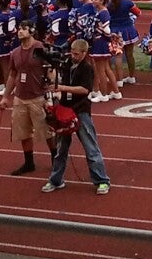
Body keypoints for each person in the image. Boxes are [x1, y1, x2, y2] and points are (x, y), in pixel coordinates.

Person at [41, 38, 112, 194]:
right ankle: (56, 180)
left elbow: (85, 90)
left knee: (90, 147)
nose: (73, 56)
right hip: (64, 109)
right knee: (60, 149)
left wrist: (62, 87)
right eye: (72, 53)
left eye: (76, 54)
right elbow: (55, 76)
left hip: (81, 111)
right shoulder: (66, 64)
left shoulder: (87, 68)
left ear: (84, 53)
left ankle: (102, 180)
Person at [0, 20, 57, 176]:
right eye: (19, 28)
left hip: (39, 96)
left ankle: (55, 159)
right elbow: (12, 75)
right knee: (22, 132)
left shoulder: (40, 49)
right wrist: (5, 97)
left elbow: (52, 69)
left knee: (47, 132)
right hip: (20, 97)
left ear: (31, 30)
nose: (20, 31)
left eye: (23, 29)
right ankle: (29, 162)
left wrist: (52, 86)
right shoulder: (15, 52)